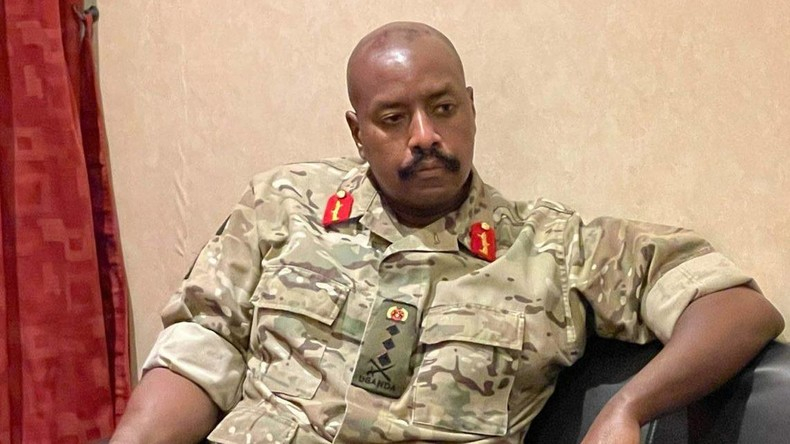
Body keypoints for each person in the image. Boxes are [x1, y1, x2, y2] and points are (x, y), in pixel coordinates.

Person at [111, 22, 784, 444]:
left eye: (443, 108)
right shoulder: (283, 206)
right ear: (357, 132)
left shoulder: (553, 249)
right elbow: (200, 351)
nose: (425, 136)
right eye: (393, 118)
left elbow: (737, 309)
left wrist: (629, 408)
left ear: (471, 108)